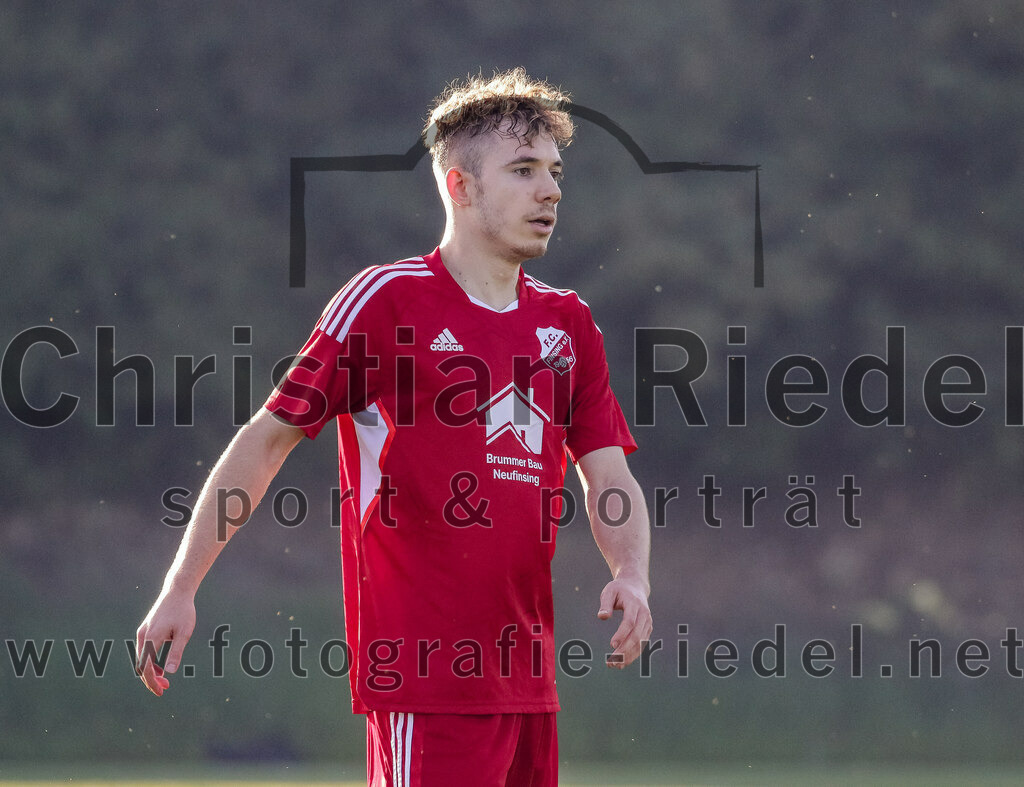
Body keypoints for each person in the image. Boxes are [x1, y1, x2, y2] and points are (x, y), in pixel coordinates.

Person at [136, 68, 652, 786]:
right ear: (459, 186)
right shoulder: (388, 302)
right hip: (423, 683)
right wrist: (182, 583)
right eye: (525, 170)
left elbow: (609, 473)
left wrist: (633, 573)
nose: (551, 191)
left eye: (556, 171)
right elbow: (267, 437)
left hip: (528, 687)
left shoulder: (568, 324)